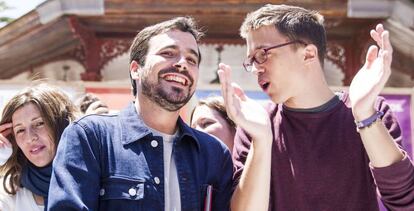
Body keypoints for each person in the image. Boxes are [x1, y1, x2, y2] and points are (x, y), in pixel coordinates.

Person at [218, 4, 414, 211]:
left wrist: (365, 115)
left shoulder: (372, 111)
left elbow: (405, 202)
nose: (256, 68)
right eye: (251, 60)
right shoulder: (257, 124)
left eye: (262, 54)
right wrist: (262, 139)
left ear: (308, 54)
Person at [48, 17, 233, 211]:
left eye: (192, 59)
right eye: (168, 53)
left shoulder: (215, 155)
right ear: (136, 69)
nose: (182, 64)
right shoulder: (90, 137)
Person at [0, 83, 78, 211]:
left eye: (39, 123)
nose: (30, 138)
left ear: (60, 125)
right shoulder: (10, 193)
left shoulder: (94, 181)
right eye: (20, 130)